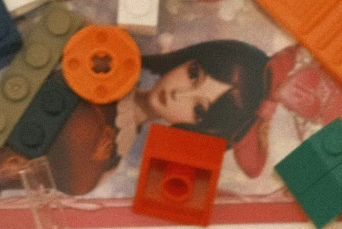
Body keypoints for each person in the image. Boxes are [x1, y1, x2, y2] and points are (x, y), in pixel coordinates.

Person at [44, 39, 270, 194]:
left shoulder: (116, 153)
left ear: (199, 131)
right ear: (188, 58)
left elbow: (75, 186)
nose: (178, 94)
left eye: (198, 110)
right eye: (193, 74)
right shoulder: (103, 72)